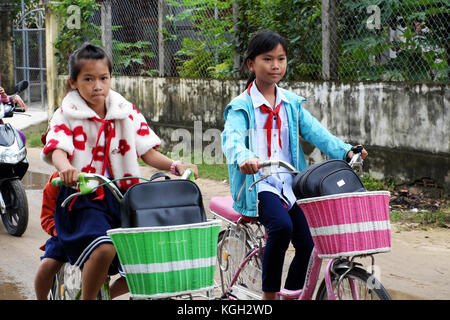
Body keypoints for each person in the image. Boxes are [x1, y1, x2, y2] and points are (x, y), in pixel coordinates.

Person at [39, 42, 198, 300]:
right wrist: (66, 167)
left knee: (149, 255)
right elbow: (58, 147)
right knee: (102, 249)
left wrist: (174, 165)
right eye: (88, 79)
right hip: (81, 198)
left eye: (103, 78)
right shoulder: (65, 114)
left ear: (111, 78)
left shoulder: (125, 112)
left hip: (123, 199)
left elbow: (146, 150)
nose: (97, 85)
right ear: (73, 82)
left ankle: (108, 295)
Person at [221, 30, 367, 300]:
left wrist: (346, 151)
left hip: (290, 182)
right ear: (251, 64)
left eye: (281, 59)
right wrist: (243, 158)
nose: (276, 65)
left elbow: (317, 133)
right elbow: (231, 139)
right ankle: (269, 297)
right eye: (268, 59)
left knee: (310, 241)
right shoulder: (241, 106)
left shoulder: (291, 103)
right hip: (258, 184)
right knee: (281, 228)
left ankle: (291, 294)